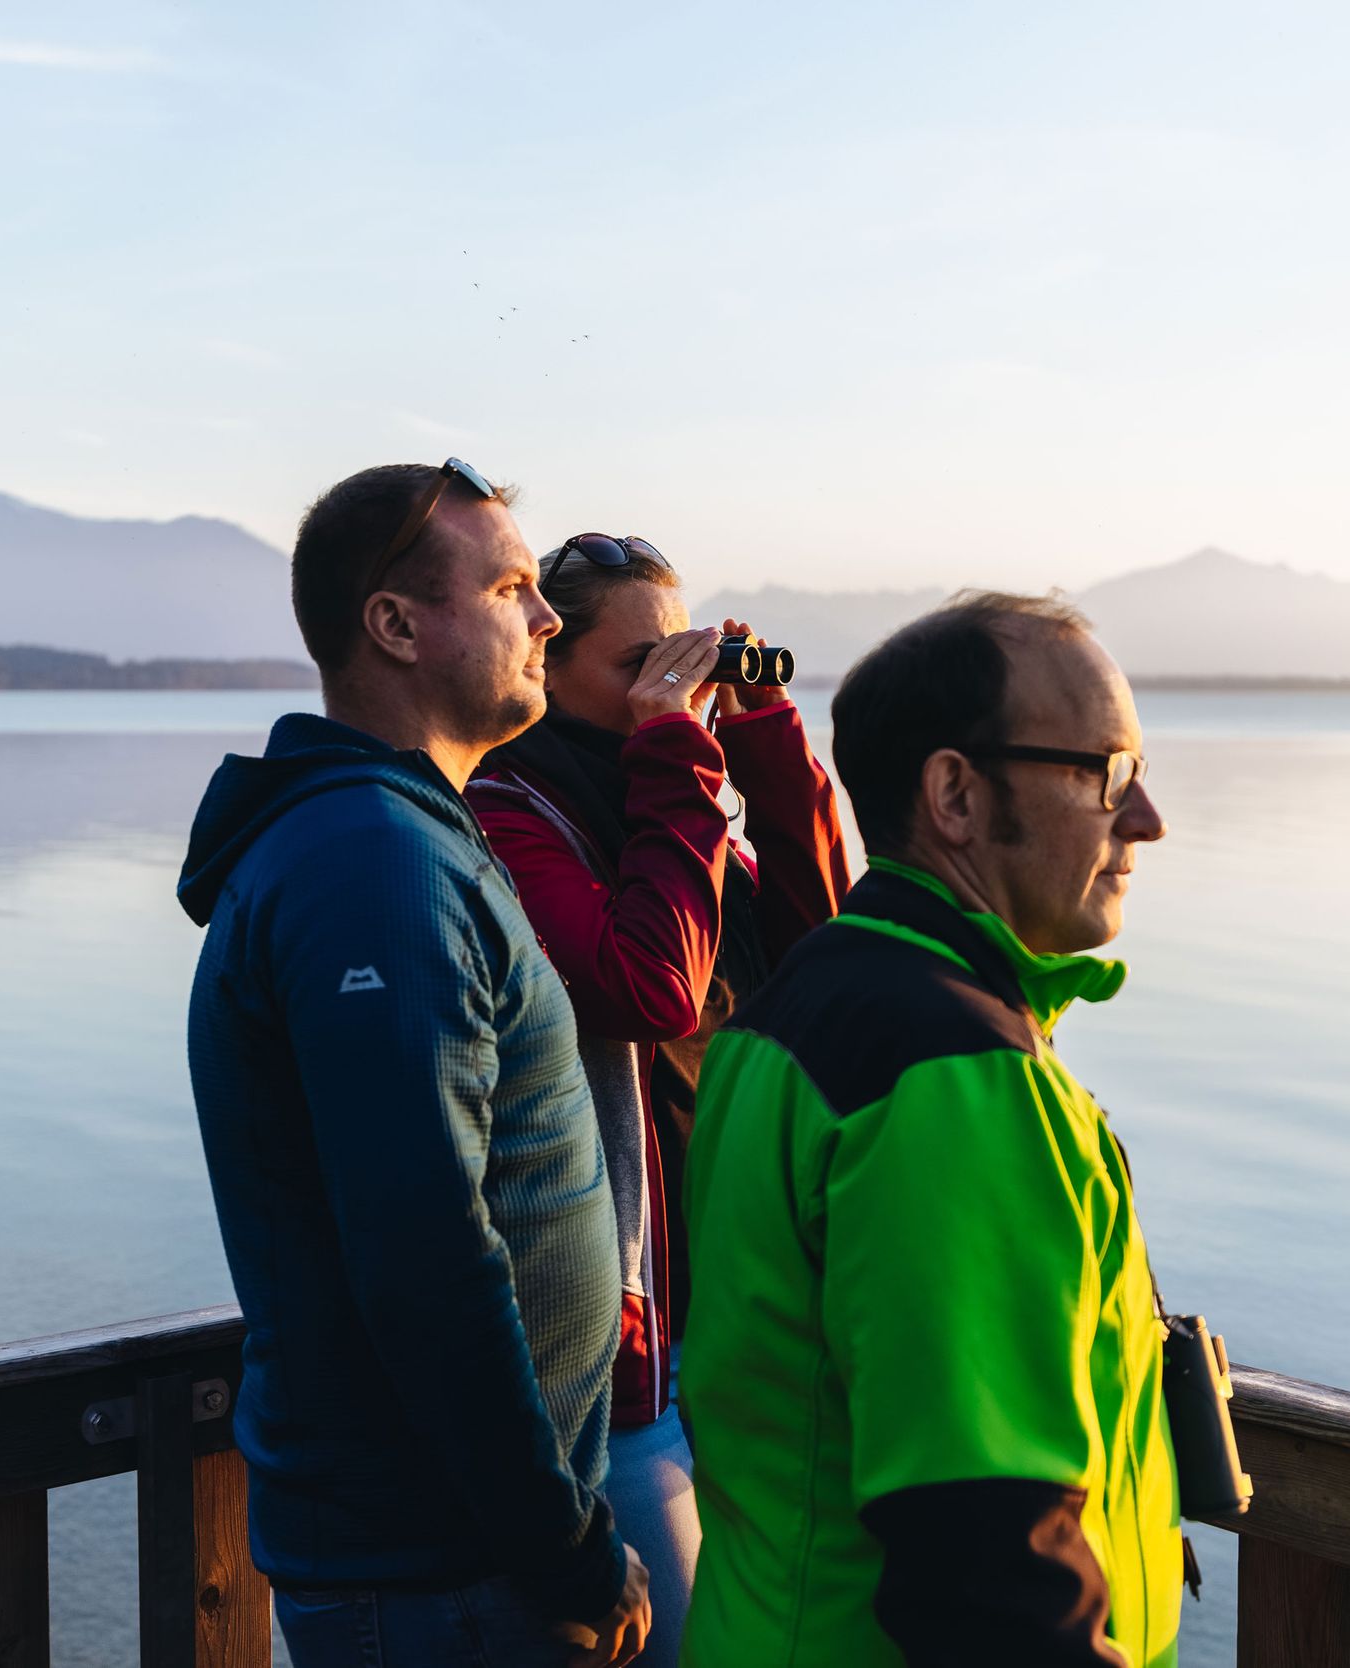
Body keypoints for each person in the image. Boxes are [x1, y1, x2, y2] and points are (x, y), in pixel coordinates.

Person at [177, 460, 652, 1668]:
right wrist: (563, 1547)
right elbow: (423, 1247)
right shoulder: (372, 866)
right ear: (394, 625)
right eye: (508, 589)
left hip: (461, 1559)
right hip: (446, 1579)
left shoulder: (402, 835)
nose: (546, 619)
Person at [679, 590, 1180, 1668]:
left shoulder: (795, 1009)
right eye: (1106, 775)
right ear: (954, 793)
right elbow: (988, 1566)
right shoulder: (949, 1074)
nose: (1145, 820)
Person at [466, 533, 851, 1667]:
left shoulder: (680, 804)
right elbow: (649, 989)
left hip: (740, 1320)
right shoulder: (509, 811)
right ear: (548, 664)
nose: (669, 684)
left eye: (681, 657)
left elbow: (824, 948)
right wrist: (675, 745)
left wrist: (762, 730)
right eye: (639, 663)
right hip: (622, 1357)